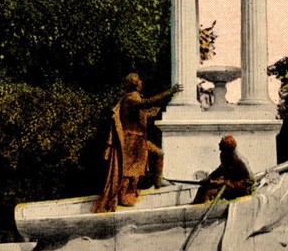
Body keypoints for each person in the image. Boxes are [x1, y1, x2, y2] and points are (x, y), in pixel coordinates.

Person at [93, 74, 181, 212]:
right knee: (129, 170)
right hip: (131, 140)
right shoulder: (131, 97)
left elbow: (143, 112)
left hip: (139, 139)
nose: (141, 82)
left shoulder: (135, 97)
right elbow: (146, 103)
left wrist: (157, 107)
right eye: (139, 80)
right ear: (134, 84)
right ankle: (123, 195)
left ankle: (158, 181)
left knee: (158, 154)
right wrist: (168, 93)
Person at [192, 135, 255, 205]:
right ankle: (195, 205)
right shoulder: (224, 155)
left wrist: (233, 184)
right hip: (228, 184)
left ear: (228, 148)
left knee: (208, 192)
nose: (219, 148)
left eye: (221, 145)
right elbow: (220, 170)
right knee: (202, 188)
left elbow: (251, 180)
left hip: (240, 190)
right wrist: (208, 178)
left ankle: (202, 208)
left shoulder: (239, 160)